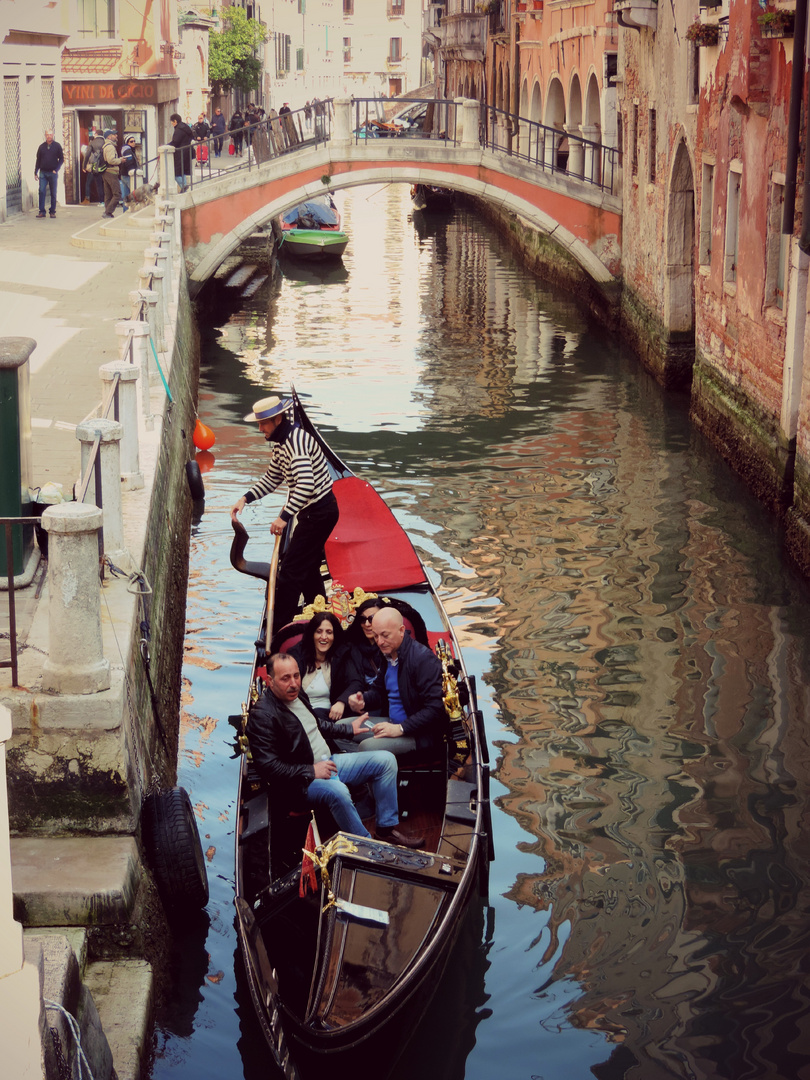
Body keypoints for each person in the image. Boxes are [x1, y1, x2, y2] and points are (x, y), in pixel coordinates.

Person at [246, 653, 424, 846]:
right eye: (285, 678)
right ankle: (366, 846)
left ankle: (385, 829)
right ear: (270, 681)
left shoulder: (297, 694)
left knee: (386, 761)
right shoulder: (262, 716)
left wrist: (349, 729)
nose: (294, 683)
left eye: (296, 676)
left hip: (328, 762)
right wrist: (311, 771)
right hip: (299, 783)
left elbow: (316, 725)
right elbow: (269, 768)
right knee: (338, 790)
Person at [230, 395, 340, 635]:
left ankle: (278, 630)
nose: (260, 429)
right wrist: (245, 498)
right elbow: (273, 478)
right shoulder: (281, 443)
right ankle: (320, 614)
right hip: (313, 511)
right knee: (307, 566)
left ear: (278, 419)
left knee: (290, 571)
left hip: (320, 511)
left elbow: (306, 485)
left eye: (264, 424)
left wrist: (284, 517)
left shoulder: (295, 442)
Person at [348, 607, 446, 757]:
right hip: (393, 723)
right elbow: (379, 692)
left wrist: (400, 728)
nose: (380, 642)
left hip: (419, 734)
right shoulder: (387, 654)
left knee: (366, 747)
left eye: (385, 635)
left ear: (401, 630)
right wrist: (363, 700)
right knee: (342, 729)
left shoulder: (423, 659)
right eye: (375, 636)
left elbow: (435, 708)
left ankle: (371, 765)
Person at [287, 612, 356, 721]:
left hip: (330, 717)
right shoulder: (296, 655)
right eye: (319, 632)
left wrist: (341, 702)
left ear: (334, 636)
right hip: (299, 713)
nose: (324, 637)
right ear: (312, 634)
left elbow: (355, 682)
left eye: (329, 632)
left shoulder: (343, 654)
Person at [33, 129, 63, 218]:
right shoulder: (41, 147)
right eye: (47, 134)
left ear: (53, 135)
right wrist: (35, 172)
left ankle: (52, 211)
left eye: (50, 134)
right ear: (45, 135)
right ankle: (42, 211)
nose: (49, 136)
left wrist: (56, 169)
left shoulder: (57, 146)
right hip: (43, 173)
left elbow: (61, 159)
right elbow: (38, 160)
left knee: (53, 192)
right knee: (41, 191)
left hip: (52, 173)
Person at [100, 129, 125, 217]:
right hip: (111, 172)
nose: (116, 136)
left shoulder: (105, 146)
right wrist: (120, 160)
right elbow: (111, 160)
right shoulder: (110, 147)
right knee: (117, 194)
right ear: (109, 137)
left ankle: (108, 212)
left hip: (106, 172)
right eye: (114, 135)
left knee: (108, 194)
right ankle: (108, 212)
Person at [168, 112, 193, 191]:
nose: (172, 124)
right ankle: (185, 188)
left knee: (175, 173)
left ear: (175, 121)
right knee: (182, 172)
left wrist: (166, 145)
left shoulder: (179, 130)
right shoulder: (185, 127)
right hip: (187, 152)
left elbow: (175, 142)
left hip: (180, 153)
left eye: (172, 122)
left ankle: (184, 186)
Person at [82, 129, 105, 205]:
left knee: (99, 184)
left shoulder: (92, 143)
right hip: (105, 166)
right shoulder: (106, 142)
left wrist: (84, 165)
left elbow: (87, 154)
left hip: (95, 166)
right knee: (106, 183)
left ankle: (101, 201)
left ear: (96, 134)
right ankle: (107, 200)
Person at [118, 136, 138, 211]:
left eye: (134, 141)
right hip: (128, 176)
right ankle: (131, 209)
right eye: (131, 141)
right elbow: (129, 163)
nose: (133, 143)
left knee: (126, 195)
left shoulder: (128, 150)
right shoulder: (128, 151)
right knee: (134, 193)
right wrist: (133, 172)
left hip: (124, 175)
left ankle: (125, 211)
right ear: (127, 143)